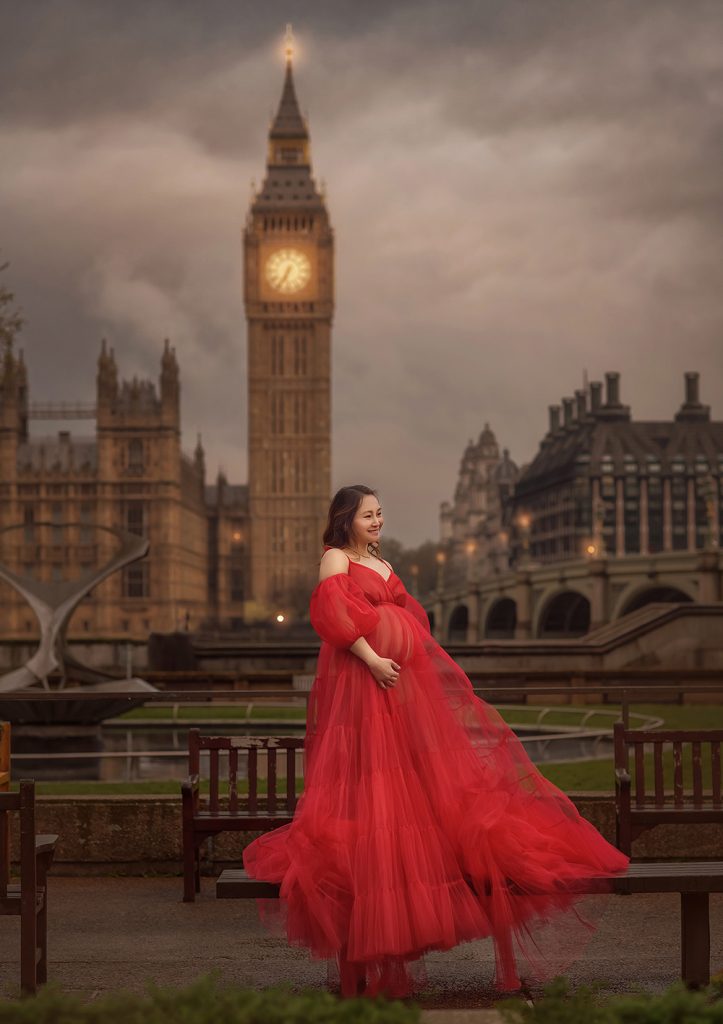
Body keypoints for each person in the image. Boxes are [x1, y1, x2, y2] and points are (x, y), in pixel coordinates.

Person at [243, 484, 629, 998]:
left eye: (381, 513)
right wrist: (374, 657)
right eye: (368, 515)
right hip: (366, 683)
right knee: (374, 785)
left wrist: (396, 646)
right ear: (345, 519)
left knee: (421, 783)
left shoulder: (378, 558)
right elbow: (333, 615)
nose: (378, 521)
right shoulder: (334, 558)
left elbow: (406, 614)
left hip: (397, 689)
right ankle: (375, 929)